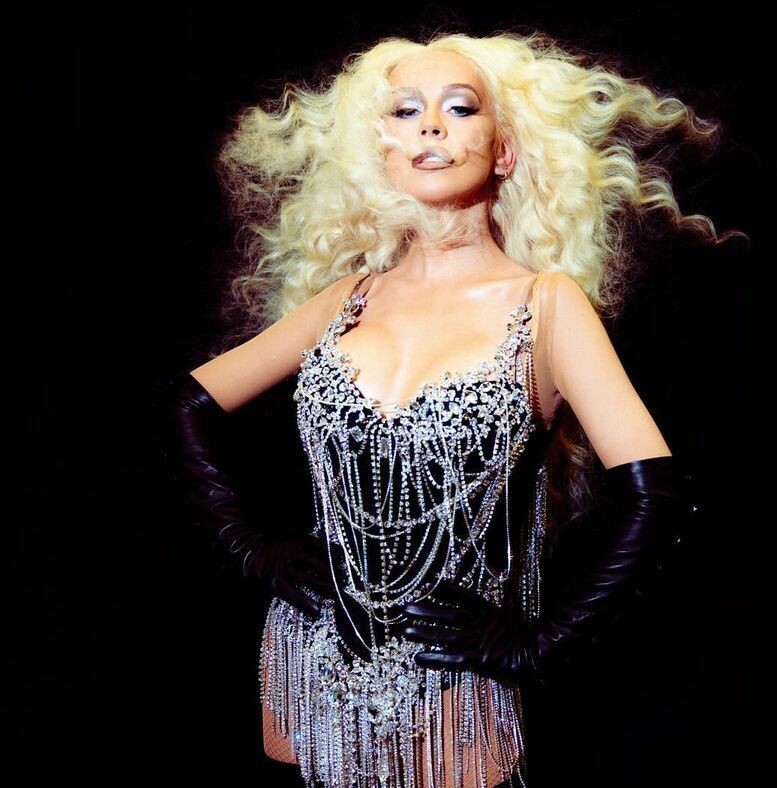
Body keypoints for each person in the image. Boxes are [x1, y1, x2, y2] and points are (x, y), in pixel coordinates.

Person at [163, 30, 736, 788]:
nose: (430, 126)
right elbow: (195, 404)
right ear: (382, 153)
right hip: (311, 653)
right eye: (405, 111)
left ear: (504, 151)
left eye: (460, 108)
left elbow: (656, 492)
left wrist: (540, 645)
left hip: (450, 684)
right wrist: (251, 547)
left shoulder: (546, 305)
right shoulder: (347, 299)